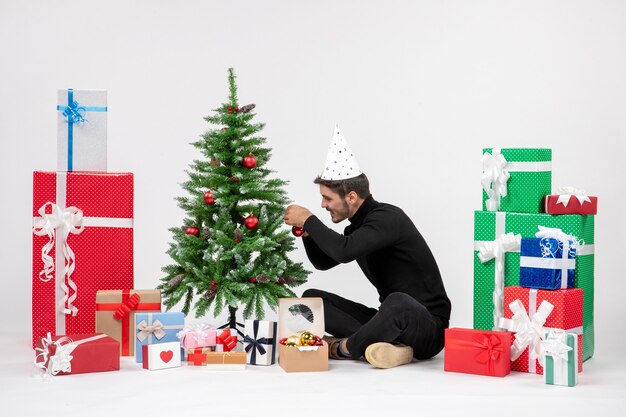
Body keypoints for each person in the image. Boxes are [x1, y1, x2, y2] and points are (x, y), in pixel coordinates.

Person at [283, 124, 451, 369]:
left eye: (328, 198)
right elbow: (325, 261)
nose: (322, 204)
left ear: (351, 197)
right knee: (311, 300)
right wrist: (308, 233)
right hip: (389, 320)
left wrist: (309, 218)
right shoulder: (357, 229)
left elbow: (343, 250)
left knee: (397, 302)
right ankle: (387, 347)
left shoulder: (388, 218)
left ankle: (345, 348)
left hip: (427, 328)